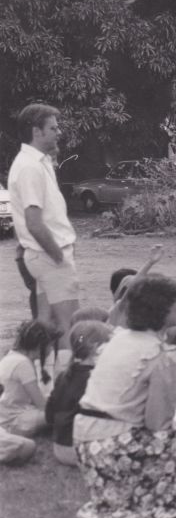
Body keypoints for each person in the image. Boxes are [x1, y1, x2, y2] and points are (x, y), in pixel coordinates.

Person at [73, 275, 176, 518]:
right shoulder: (161, 355)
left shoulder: (116, 339)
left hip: (85, 443)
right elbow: (157, 423)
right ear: (164, 310)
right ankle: (169, 492)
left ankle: (123, 492)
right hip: (116, 448)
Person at [8, 104, 78, 370]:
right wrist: (59, 255)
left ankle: (40, 377)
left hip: (42, 255)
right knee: (68, 324)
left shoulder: (39, 162)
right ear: (36, 131)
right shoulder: (29, 167)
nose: (59, 132)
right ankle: (66, 384)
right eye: (53, 128)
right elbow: (34, 223)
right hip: (49, 255)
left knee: (46, 324)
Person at [46, 321, 113, 466]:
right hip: (80, 452)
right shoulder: (96, 379)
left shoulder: (63, 375)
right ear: (96, 348)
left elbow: (49, 414)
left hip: (59, 448)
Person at [0, 320, 59, 439]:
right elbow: (41, 405)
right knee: (62, 413)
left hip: (6, 415)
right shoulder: (23, 364)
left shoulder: (11, 357)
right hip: (14, 421)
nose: (51, 349)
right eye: (50, 345)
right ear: (40, 345)